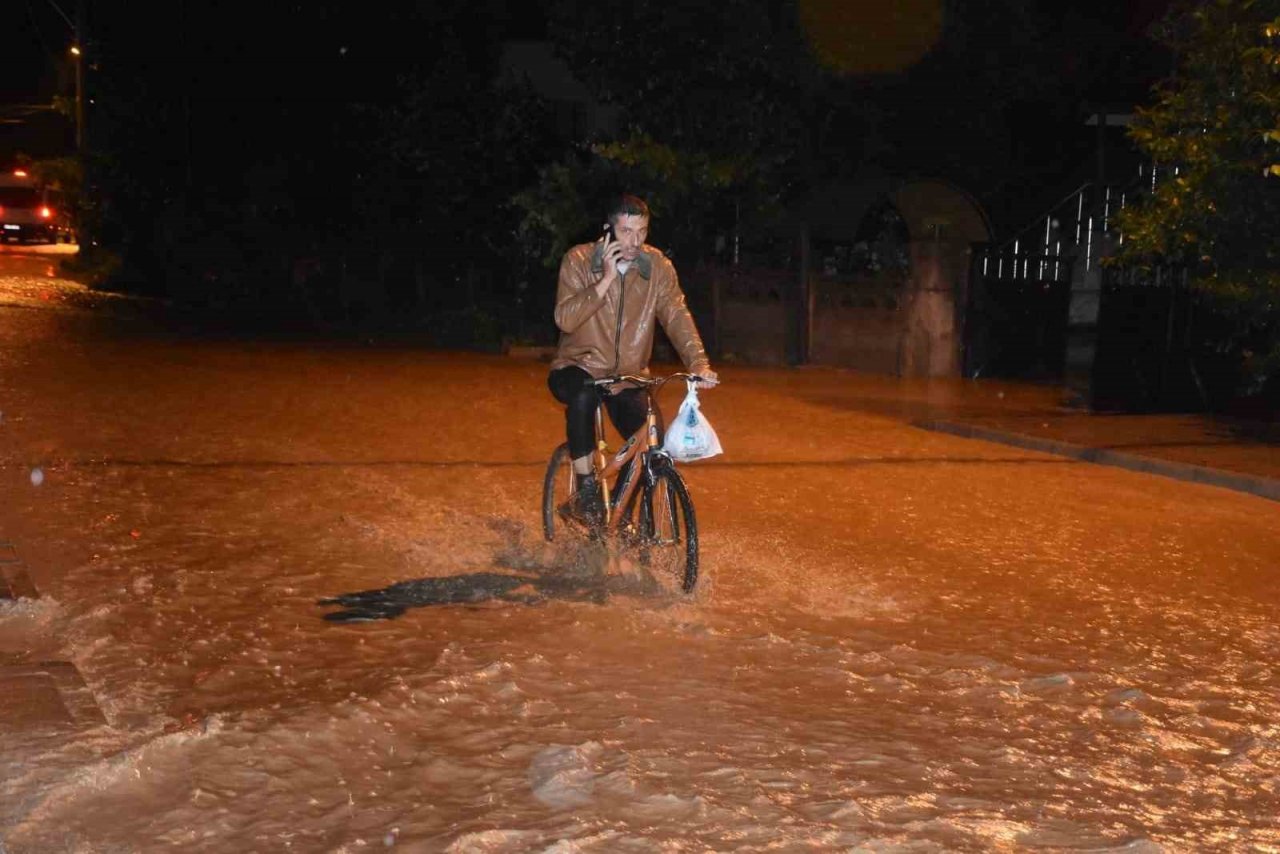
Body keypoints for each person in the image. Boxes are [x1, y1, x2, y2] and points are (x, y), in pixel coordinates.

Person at [547, 194, 718, 524]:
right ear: (609, 229)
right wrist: (606, 279)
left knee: (652, 442)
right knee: (582, 397)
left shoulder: (657, 268)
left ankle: (621, 514)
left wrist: (698, 363)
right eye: (626, 231)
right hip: (578, 366)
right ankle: (586, 492)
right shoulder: (579, 260)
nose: (634, 241)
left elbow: (676, 314)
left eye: (641, 231)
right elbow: (565, 319)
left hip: (628, 376)